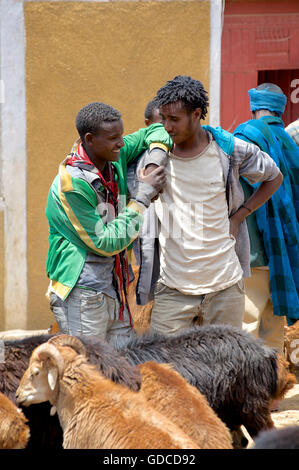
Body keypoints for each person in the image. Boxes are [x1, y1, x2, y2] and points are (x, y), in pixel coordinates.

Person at [137, 75, 282, 336]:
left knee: (226, 369)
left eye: (174, 119)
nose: (167, 127)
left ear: (196, 114)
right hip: (173, 289)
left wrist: (239, 216)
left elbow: (274, 176)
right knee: (165, 366)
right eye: (164, 119)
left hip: (224, 286)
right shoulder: (156, 156)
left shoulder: (227, 150)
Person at [46, 101, 171, 340]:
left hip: (115, 288)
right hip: (82, 292)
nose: (122, 143)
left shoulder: (114, 157)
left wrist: (154, 159)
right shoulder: (72, 185)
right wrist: (143, 195)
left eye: (121, 135)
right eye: (113, 138)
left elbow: (156, 129)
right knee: (89, 371)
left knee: (123, 370)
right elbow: (106, 242)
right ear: (90, 139)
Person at [233, 83, 299, 354]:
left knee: (246, 327)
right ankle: (273, 394)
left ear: (253, 105)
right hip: (286, 255)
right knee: (273, 330)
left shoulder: (243, 137)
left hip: (254, 251)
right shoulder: (291, 143)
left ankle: (248, 394)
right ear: (280, 109)